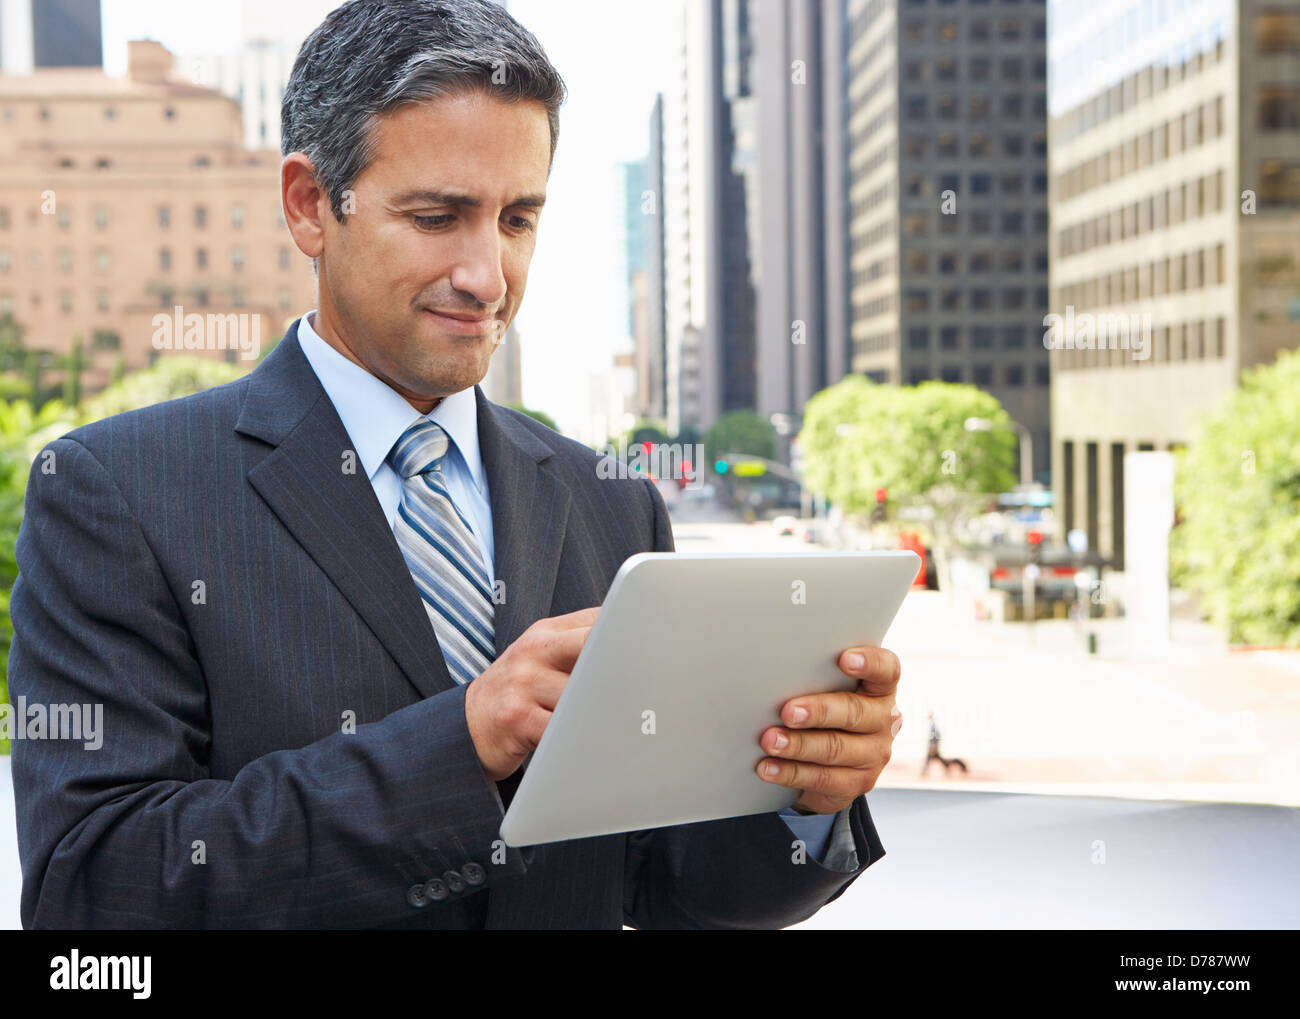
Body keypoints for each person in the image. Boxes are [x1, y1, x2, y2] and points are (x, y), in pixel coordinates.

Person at [8, 0, 904, 930]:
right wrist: (463, 745)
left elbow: (671, 885)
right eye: (438, 216)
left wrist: (804, 796)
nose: (487, 276)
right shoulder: (117, 491)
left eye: (518, 219)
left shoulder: (613, 507)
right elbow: (91, 889)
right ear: (311, 205)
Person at [922, 712, 968, 777]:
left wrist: (934, 746)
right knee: (933, 760)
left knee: (934, 760)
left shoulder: (933, 725)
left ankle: (959, 766)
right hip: (933, 747)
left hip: (933, 747)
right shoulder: (932, 724)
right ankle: (924, 773)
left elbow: (936, 736)